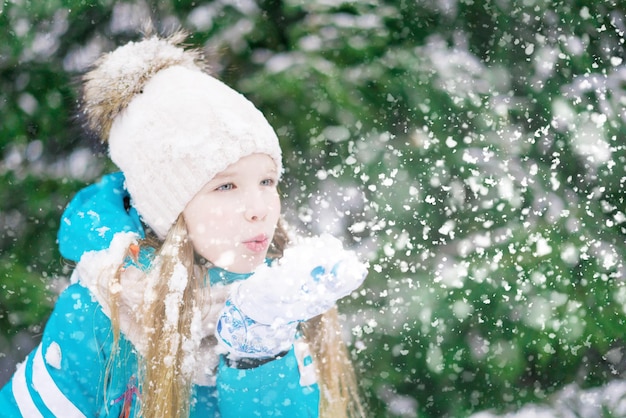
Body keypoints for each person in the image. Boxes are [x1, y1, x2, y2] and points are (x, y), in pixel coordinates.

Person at [0, 32, 368, 417]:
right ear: (168, 208)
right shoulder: (102, 312)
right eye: (226, 185)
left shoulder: (275, 295)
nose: (258, 208)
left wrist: (259, 349)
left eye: (267, 181)